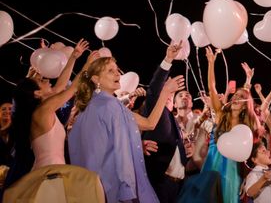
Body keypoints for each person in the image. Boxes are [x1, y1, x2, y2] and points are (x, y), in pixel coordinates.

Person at [68, 56, 184, 203]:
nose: (117, 74)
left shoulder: (92, 107)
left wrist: (135, 144)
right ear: (96, 79)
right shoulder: (111, 106)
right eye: (110, 71)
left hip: (90, 187)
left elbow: (148, 124)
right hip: (113, 185)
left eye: (117, 70)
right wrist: (165, 91)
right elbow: (146, 127)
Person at [5, 39, 92, 191]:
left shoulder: (41, 109)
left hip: (53, 172)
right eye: (41, 81)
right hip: (47, 175)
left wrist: (74, 56)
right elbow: (70, 90)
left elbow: (59, 88)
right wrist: (88, 65)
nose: (46, 79)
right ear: (37, 93)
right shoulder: (43, 111)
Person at [183, 46, 262, 203]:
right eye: (235, 95)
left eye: (240, 97)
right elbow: (212, 89)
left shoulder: (245, 127)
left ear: (246, 106)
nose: (235, 98)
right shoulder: (220, 115)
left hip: (232, 170)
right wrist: (211, 62)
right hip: (212, 165)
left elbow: (249, 153)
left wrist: (246, 177)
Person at [140, 42, 193, 203]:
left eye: (171, 91)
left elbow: (171, 145)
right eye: (166, 90)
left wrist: (184, 152)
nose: (169, 93)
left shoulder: (172, 118)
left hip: (178, 186)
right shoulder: (157, 109)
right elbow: (154, 90)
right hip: (159, 182)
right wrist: (168, 59)